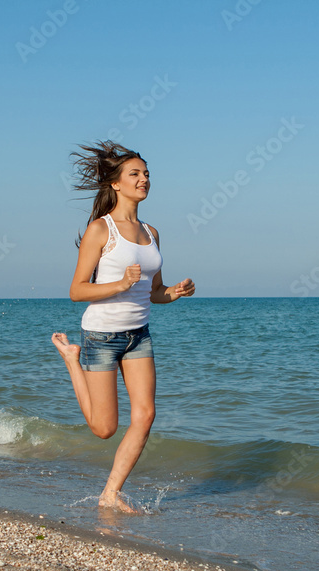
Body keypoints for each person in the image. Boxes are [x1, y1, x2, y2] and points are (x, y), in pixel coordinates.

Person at [52, 141, 195, 513]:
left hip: (139, 335)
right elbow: (76, 290)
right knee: (104, 429)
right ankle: (72, 360)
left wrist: (174, 292)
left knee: (145, 415)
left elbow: (156, 291)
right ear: (115, 183)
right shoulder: (101, 230)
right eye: (135, 174)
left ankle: (110, 493)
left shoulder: (152, 232)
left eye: (146, 174)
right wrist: (120, 284)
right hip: (101, 336)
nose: (143, 179)